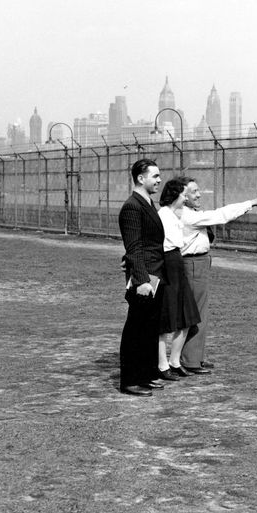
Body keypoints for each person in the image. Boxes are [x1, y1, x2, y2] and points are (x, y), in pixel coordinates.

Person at [178, 178, 257, 373]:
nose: (199, 194)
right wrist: (251, 203)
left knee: (199, 312)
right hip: (193, 264)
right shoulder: (187, 216)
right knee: (196, 313)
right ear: (183, 197)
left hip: (199, 263)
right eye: (194, 191)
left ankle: (194, 357)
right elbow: (221, 215)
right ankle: (191, 361)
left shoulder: (187, 213)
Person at [118, 158, 166, 396]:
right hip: (145, 279)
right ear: (140, 178)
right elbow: (134, 247)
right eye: (155, 176)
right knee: (136, 330)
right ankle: (130, 380)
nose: (159, 180)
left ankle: (146, 374)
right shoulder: (132, 206)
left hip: (155, 275)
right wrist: (142, 280)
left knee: (149, 328)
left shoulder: (147, 203)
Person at [156, 177, 203, 380]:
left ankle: (174, 362)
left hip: (177, 261)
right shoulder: (163, 215)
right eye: (184, 194)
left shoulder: (178, 215)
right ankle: (162, 365)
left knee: (186, 316)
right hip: (166, 262)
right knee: (165, 319)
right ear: (175, 195)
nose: (186, 198)